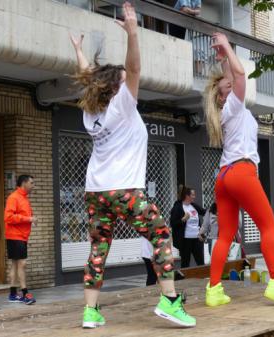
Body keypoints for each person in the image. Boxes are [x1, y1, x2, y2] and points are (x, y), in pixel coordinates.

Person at [70, 2, 195, 329]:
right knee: (161, 234)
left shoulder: (91, 113)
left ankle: (90, 311)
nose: (130, 82)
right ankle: (169, 301)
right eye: (123, 81)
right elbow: (135, 69)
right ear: (115, 88)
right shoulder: (121, 105)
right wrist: (133, 33)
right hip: (124, 189)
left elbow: (88, 79)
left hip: (95, 192)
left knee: (99, 248)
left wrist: (79, 52)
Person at [202, 32, 274, 307]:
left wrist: (222, 60)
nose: (233, 85)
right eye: (228, 86)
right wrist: (229, 48)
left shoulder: (224, 110)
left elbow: (231, 77)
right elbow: (240, 75)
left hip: (223, 176)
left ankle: (214, 289)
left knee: (224, 234)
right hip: (242, 172)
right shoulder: (234, 103)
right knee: (268, 225)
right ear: (224, 96)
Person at [4, 174, 37, 305]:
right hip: (15, 235)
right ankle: (25, 294)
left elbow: (25, 215)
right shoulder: (14, 197)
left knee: (15, 264)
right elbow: (8, 217)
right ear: (24, 183)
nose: (33, 186)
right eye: (32, 183)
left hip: (21, 236)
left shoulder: (24, 198)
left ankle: (13, 294)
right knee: (22, 264)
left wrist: (32, 220)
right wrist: (28, 219)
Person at [170, 185, 206, 268]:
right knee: (185, 263)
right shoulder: (177, 207)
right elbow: (173, 223)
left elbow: (205, 213)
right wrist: (183, 219)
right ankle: (185, 280)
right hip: (185, 240)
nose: (194, 197)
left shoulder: (193, 206)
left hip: (197, 238)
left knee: (200, 261)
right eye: (192, 195)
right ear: (187, 196)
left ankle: (203, 278)